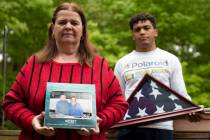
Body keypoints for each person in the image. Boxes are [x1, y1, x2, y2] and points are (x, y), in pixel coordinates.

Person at [3, 2, 128, 140]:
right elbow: (11, 103)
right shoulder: (34, 63)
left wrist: (100, 120)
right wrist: (31, 120)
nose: (68, 26)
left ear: (82, 31)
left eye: (74, 23)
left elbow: (119, 104)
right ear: (53, 29)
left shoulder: (100, 66)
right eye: (62, 22)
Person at [114, 12, 191, 140]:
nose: (142, 32)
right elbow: (117, 98)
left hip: (162, 127)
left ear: (155, 32)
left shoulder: (171, 59)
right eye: (137, 30)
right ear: (133, 35)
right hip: (128, 128)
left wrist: (192, 109)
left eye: (146, 28)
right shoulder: (122, 63)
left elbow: (181, 93)